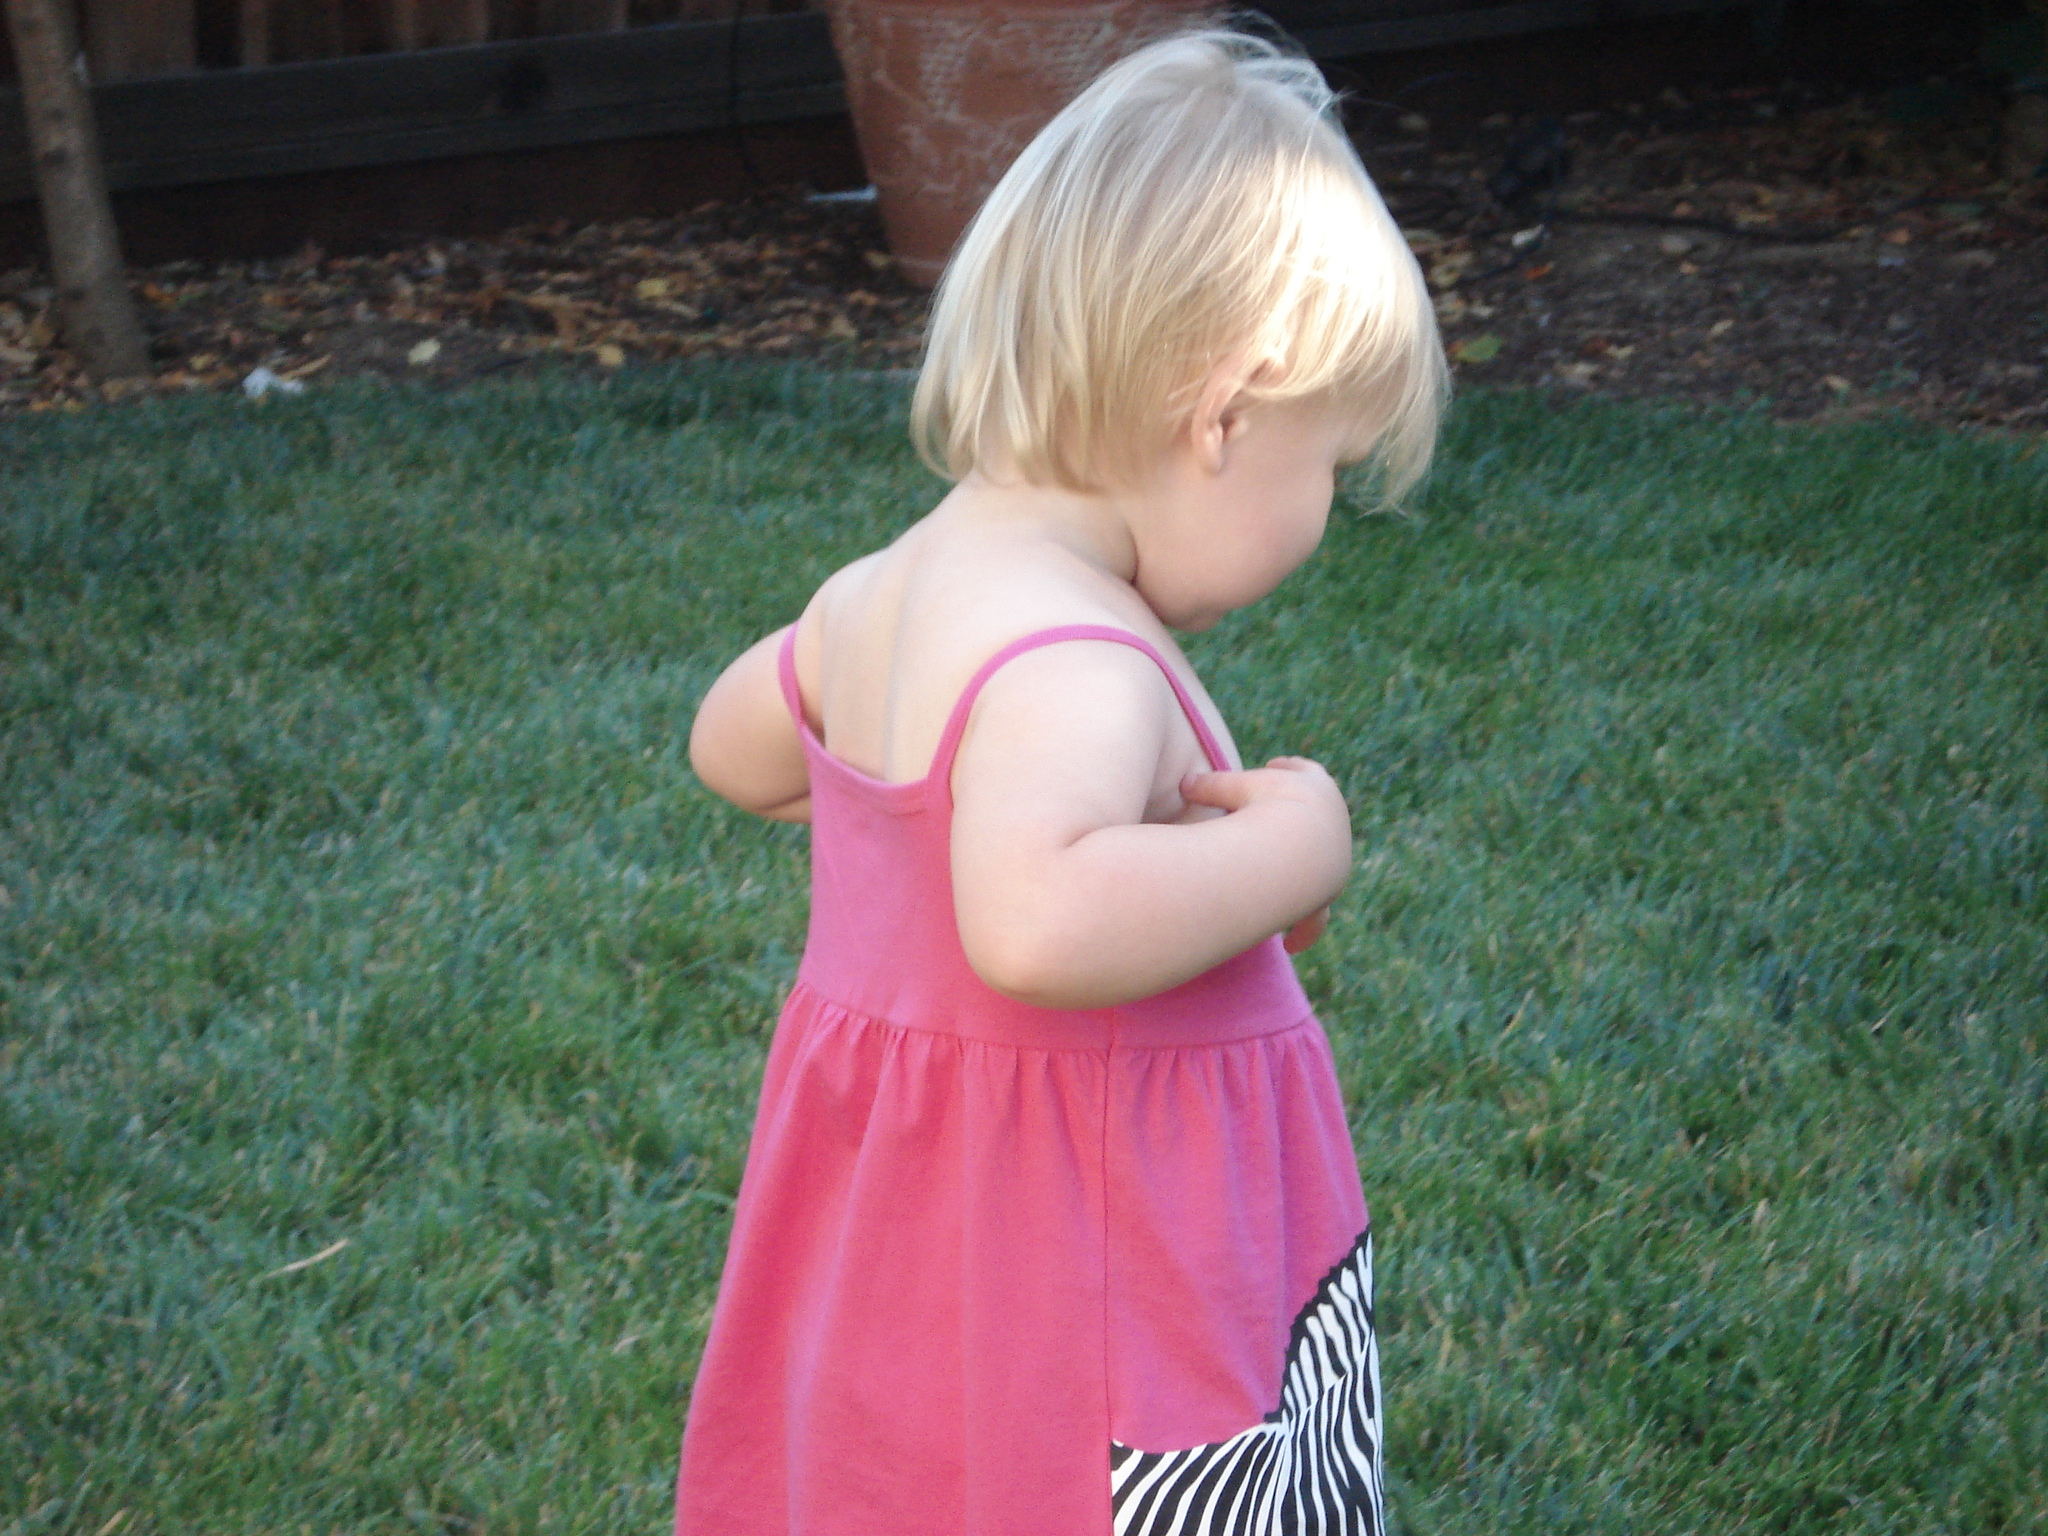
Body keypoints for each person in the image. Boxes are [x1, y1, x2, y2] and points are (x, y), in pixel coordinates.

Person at [676, 27, 1445, 1536]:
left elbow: (732, 747)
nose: (1322, 518)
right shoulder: (1077, 659)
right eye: (1330, 470)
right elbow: (1040, 926)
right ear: (1227, 413)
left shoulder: (881, 594)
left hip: (913, 1227)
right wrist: (1299, 847)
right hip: (1082, 1255)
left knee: (914, 1483)